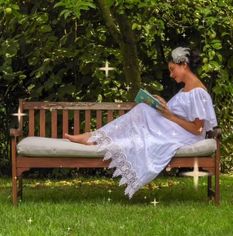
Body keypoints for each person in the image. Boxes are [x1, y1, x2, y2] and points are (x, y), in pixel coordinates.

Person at [65, 47, 217, 198]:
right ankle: (95, 138)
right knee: (143, 109)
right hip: (175, 130)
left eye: (172, 69)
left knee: (143, 110)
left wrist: (170, 115)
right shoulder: (186, 89)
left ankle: (93, 138)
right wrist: (163, 105)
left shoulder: (198, 92)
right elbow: (179, 114)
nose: (171, 74)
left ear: (184, 64)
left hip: (186, 137)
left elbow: (197, 130)